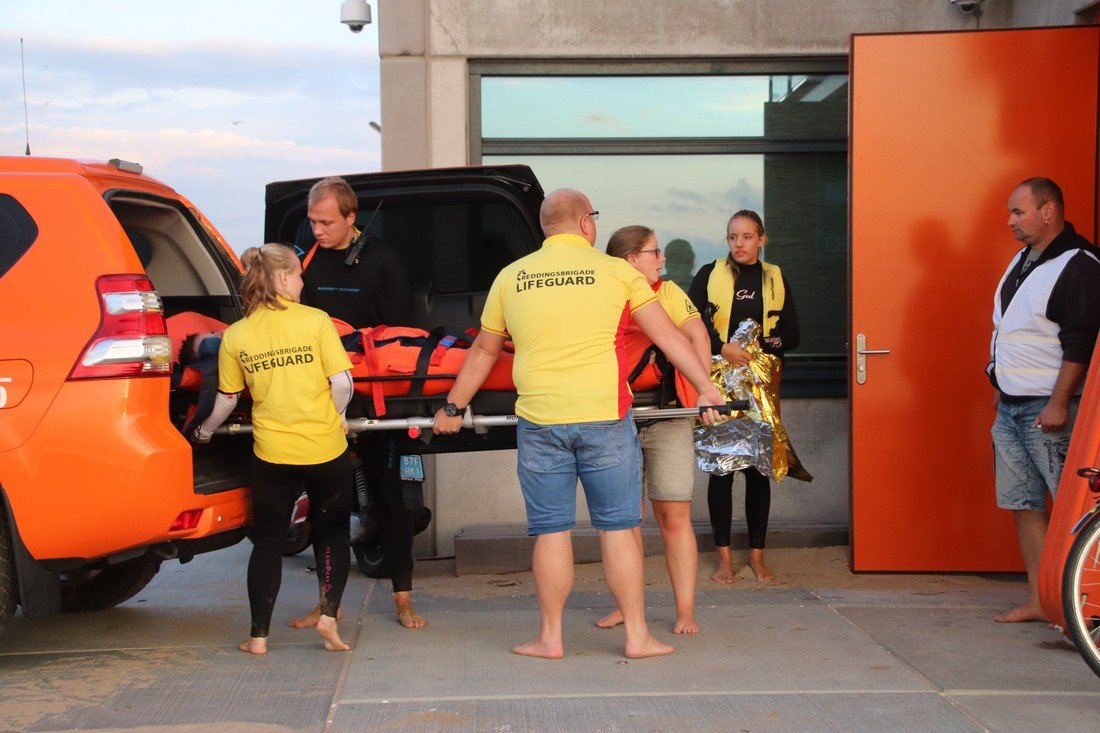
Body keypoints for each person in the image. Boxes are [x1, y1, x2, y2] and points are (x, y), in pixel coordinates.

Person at [432, 189, 726, 660]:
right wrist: (707, 389)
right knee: (617, 529)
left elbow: (485, 350)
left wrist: (451, 408)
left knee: (551, 531)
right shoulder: (617, 273)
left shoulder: (511, 276)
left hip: (540, 420)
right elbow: (668, 336)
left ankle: (550, 638)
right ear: (586, 223)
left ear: (546, 226)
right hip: (604, 419)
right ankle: (637, 637)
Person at [191, 243, 355, 654]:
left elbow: (227, 400)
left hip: (272, 454)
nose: (302, 281)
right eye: (298, 273)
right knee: (332, 531)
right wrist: (334, 417)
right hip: (324, 448)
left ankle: (258, 636)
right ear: (283, 279)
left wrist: (206, 432)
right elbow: (342, 384)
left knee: (266, 540)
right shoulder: (316, 321)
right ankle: (330, 618)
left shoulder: (237, 334)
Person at [291, 176, 427, 630]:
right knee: (328, 503)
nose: (318, 231)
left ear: (352, 218)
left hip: (375, 398)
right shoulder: (302, 263)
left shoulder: (384, 260)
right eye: (312, 221)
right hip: (321, 398)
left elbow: (400, 335)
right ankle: (329, 603)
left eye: (326, 222)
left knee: (391, 499)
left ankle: (404, 597)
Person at [988, 177, 1100, 623]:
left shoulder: (1080, 264)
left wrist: (1058, 403)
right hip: (1011, 405)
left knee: (1072, 509)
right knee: (1024, 503)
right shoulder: (1022, 260)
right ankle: (1041, 598)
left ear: (1049, 211)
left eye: (1019, 212)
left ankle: (1083, 606)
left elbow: (1081, 343)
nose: (1011, 220)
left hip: (1050, 410)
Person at [595, 225, 711, 635]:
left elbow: (697, 334)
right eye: (654, 252)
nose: (661, 260)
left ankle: (685, 611)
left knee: (674, 516)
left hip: (667, 416)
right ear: (630, 260)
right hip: (615, 416)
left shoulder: (668, 292)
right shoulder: (601, 292)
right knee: (624, 522)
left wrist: (703, 393)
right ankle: (629, 608)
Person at [688, 210, 800, 583]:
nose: (740, 244)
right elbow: (688, 325)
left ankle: (756, 556)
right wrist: (723, 346)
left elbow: (794, 335)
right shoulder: (709, 274)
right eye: (733, 237)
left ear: (762, 239)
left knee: (757, 472)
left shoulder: (775, 276)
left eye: (748, 237)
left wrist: (756, 347)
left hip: (760, 388)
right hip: (716, 383)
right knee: (721, 471)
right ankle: (723, 559)